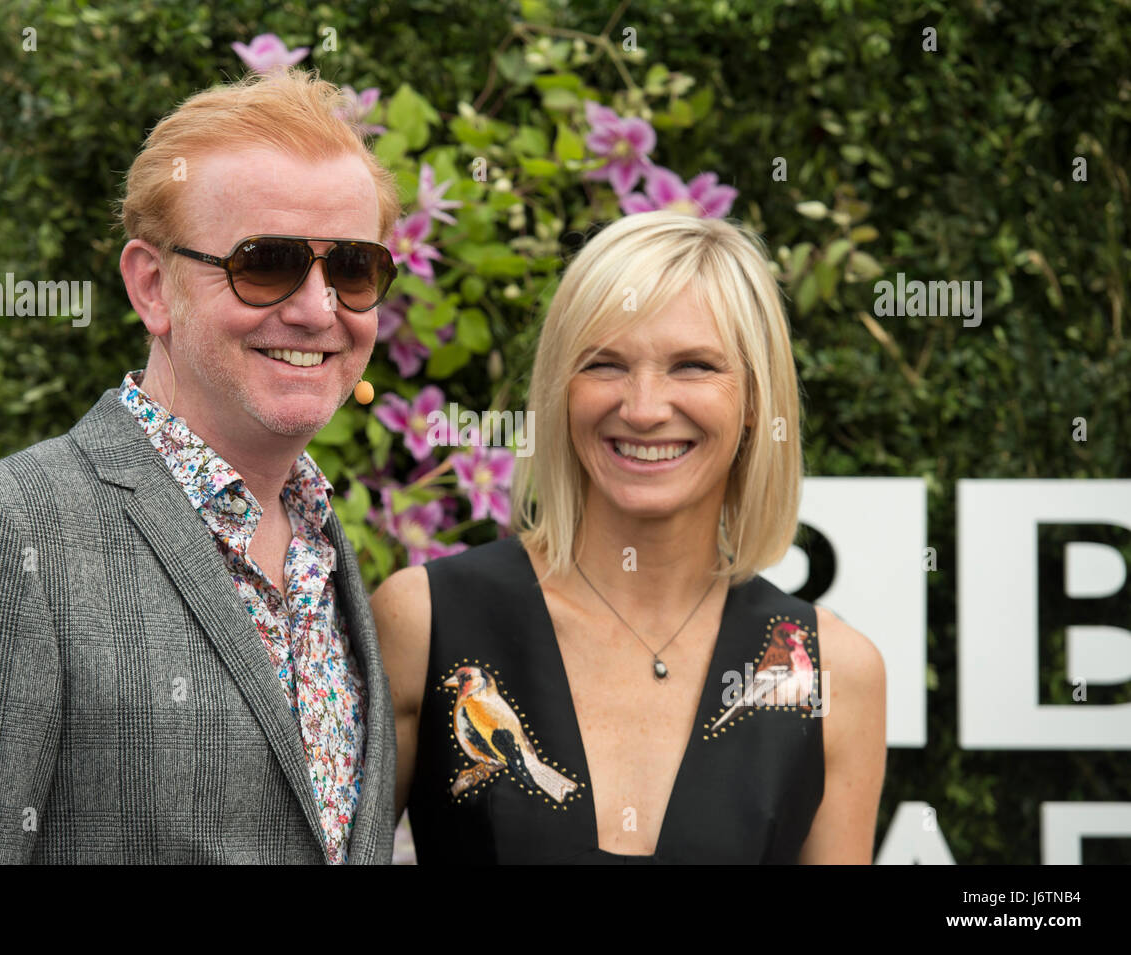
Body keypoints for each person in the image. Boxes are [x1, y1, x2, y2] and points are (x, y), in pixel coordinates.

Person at [0, 68, 400, 864]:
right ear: (152, 286)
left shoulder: (323, 550)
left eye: (352, 269)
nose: (317, 309)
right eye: (265, 263)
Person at [372, 211, 887, 863]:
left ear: (755, 399)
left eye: (694, 366)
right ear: (563, 388)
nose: (643, 407)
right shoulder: (425, 620)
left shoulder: (836, 672)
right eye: (605, 364)